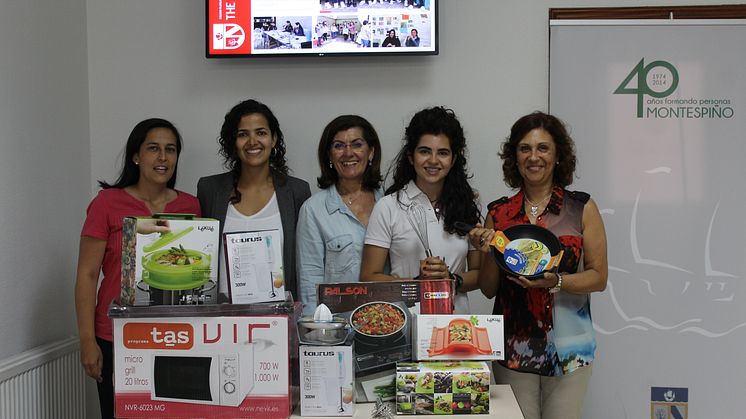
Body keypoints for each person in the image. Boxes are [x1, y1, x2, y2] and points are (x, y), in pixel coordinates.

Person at [472, 111, 608, 419]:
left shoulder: (581, 208)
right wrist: (488, 247)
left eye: (543, 148)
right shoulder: (499, 213)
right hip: (514, 348)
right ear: (514, 157)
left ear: (558, 154)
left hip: (570, 350)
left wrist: (557, 282)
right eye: (525, 148)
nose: (534, 157)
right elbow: (489, 287)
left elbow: (599, 277)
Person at [75, 119, 200, 419]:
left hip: (175, 335)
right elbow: (86, 276)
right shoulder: (107, 203)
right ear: (136, 156)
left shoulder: (191, 206)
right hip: (115, 336)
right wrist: (87, 341)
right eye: (153, 148)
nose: (162, 158)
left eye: (170, 150)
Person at [360, 106, 482, 313]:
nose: (433, 161)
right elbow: (369, 277)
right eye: (424, 151)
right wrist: (417, 284)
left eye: (442, 153)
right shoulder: (388, 206)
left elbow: (479, 274)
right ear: (410, 156)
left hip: (456, 325)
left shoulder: (467, 205)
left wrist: (451, 279)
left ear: (453, 160)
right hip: (407, 322)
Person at [197, 99, 311, 302]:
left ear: (274, 139)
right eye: (243, 134)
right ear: (233, 142)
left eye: (261, 132)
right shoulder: (209, 189)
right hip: (220, 316)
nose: (252, 141)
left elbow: (304, 262)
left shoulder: (297, 191)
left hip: (278, 315)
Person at [296, 115, 383, 315]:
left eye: (357, 144)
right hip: (340, 332)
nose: (348, 153)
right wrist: (316, 334)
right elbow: (311, 284)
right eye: (338, 146)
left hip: (391, 327)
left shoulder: (391, 203)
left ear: (371, 152)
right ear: (329, 155)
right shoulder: (313, 210)